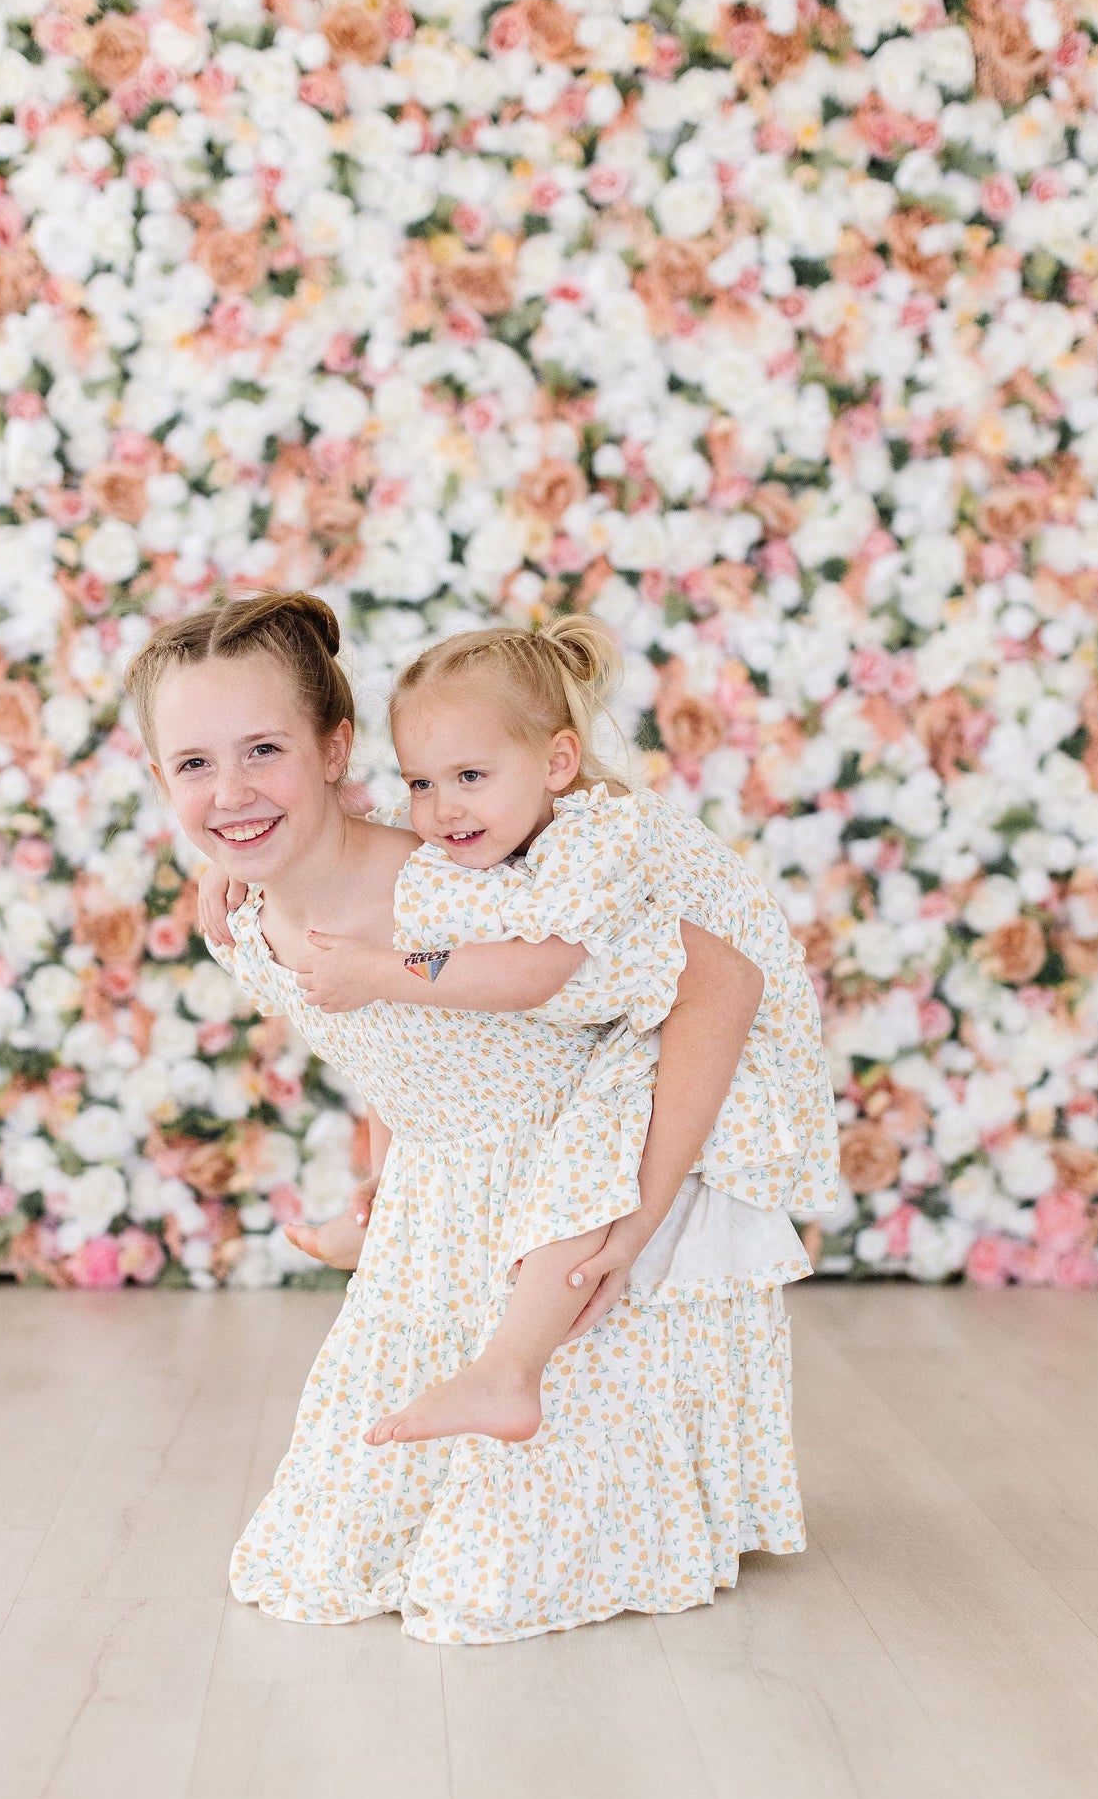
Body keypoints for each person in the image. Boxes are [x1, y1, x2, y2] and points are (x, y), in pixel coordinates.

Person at [129, 589, 803, 1643]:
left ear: (335, 749)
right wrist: (384, 1171)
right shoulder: (245, 915)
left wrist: (635, 1217)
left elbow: (716, 979)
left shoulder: (462, 887)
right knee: (326, 1547)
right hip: (443, 1219)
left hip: (577, 1197)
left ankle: (533, 1381)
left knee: (489, 1569)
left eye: (263, 749)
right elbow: (394, 1054)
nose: (231, 791)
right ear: (160, 778)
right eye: (195, 764)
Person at [200, 615, 838, 1449]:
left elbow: (539, 971)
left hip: (717, 1029)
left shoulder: (584, 848)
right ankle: (387, 1208)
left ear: (557, 764)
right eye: (421, 782)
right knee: (452, 1047)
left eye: (467, 775)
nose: (440, 808)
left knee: (588, 1136)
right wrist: (232, 857)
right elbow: (417, 1003)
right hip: (636, 1003)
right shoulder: (490, 824)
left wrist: (378, 970)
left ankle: (510, 1371)